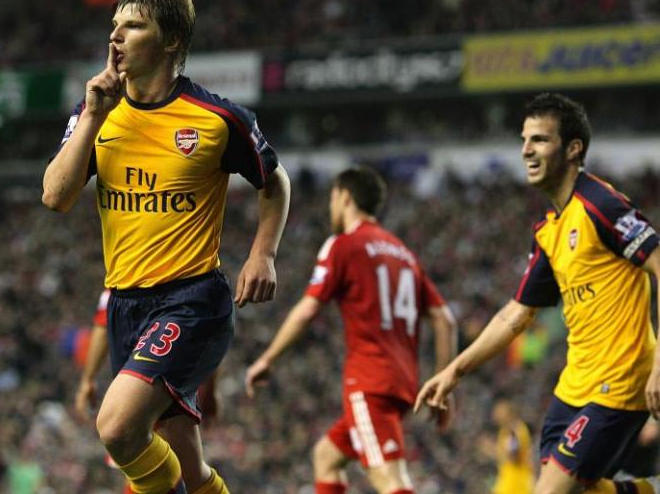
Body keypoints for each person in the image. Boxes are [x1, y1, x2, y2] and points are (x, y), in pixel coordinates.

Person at [43, 0, 290, 494]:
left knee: (118, 428)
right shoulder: (96, 114)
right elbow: (56, 196)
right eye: (114, 26)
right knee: (189, 470)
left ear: (171, 41)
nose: (116, 37)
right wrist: (92, 114)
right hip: (125, 305)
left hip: (191, 300)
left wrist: (262, 253)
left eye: (133, 26)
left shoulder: (218, 118)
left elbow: (275, 181)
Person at [415, 93, 660, 494]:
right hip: (573, 386)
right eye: (524, 140)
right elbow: (516, 314)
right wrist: (454, 370)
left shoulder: (601, 205)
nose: (526, 150)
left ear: (573, 148)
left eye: (540, 140)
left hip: (621, 378)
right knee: (572, 487)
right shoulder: (548, 231)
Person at [245, 166, 457, 494]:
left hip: (370, 380)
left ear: (344, 196)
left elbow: (307, 310)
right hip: (402, 380)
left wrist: (268, 358)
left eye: (332, 198)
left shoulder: (343, 245)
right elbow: (445, 320)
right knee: (326, 456)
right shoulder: (403, 253)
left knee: (390, 479)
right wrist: (445, 384)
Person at [75, 289, 221, 494]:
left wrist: (87, 380)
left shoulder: (138, 275)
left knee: (137, 451)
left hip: (151, 376)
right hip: (162, 369)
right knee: (190, 472)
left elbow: (103, 321)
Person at [491, 397, 535, 494]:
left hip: (516, 484)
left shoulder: (514, 431)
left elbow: (514, 456)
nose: (495, 414)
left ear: (507, 413)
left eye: (498, 411)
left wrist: (492, 450)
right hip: (509, 482)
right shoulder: (505, 430)